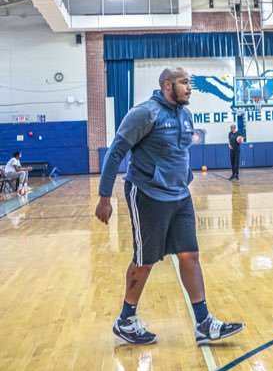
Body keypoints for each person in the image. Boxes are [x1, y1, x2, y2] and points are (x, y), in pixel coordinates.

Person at [95, 67, 244, 345]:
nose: (189, 87)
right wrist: (105, 196)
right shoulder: (144, 113)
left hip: (180, 195)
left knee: (190, 255)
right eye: (183, 83)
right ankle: (126, 320)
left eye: (189, 82)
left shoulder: (185, 115)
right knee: (145, 260)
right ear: (167, 85)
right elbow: (116, 152)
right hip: (148, 194)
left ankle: (203, 322)